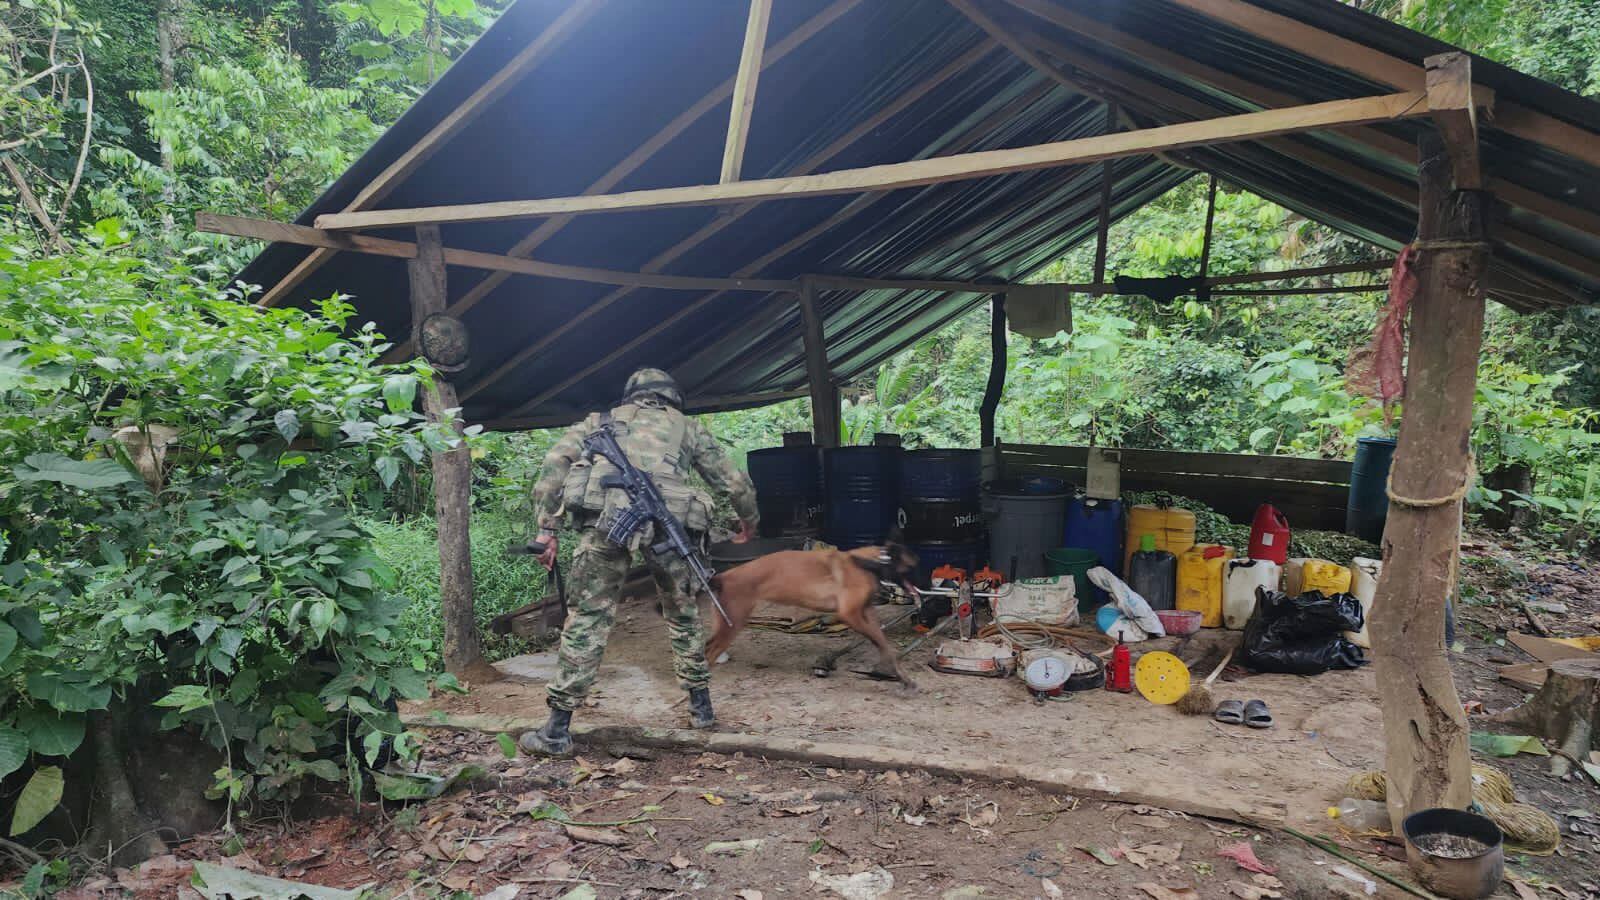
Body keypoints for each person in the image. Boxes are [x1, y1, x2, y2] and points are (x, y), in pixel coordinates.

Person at [520, 367, 758, 755]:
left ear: (631, 395)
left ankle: (556, 731)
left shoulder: (599, 422)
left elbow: (553, 466)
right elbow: (734, 483)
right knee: (683, 614)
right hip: (669, 531)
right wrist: (749, 522)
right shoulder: (687, 428)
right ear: (672, 397)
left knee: (588, 618)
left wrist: (547, 529)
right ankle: (701, 711)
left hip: (603, 526)